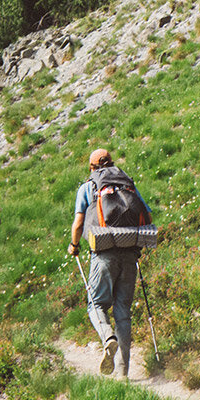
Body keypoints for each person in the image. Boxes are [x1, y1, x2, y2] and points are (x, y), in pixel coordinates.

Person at [67, 147, 148, 377]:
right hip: (130, 251)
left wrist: (74, 246)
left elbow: (78, 224)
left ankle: (107, 337)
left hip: (103, 254)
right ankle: (123, 372)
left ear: (92, 168)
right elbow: (146, 212)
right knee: (123, 311)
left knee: (96, 304)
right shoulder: (128, 185)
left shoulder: (88, 187)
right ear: (112, 163)